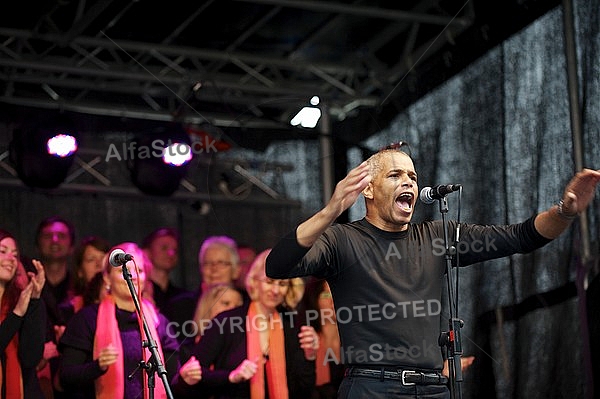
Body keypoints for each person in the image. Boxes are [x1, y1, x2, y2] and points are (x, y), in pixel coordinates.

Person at [265, 146, 600, 399]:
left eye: (412, 176)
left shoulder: (438, 236)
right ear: (367, 189)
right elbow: (278, 265)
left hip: (433, 389)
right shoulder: (341, 239)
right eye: (395, 175)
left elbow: (520, 236)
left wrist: (564, 211)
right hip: (371, 388)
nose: (408, 181)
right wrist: (332, 208)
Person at [173, 249, 319, 399]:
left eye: (282, 284)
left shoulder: (291, 326)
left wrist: (310, 356)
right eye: (269, 282)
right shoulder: (226, 322)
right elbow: (194, 374)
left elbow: (304, 389)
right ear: (254, 282)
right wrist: (230, 376)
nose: (275, 290)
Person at [57, 242, 181, 399]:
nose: (132, 276)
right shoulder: (87, 319)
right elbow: (66, 376)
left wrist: (186, 378)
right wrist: (97, 366)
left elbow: (173, 378)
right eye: (123, 270)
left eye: (139, 270)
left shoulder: (158, 322)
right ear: (107, 278)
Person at [0, 228, 47, 398]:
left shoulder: (22, 301)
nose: (10, 259)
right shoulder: (19, 307)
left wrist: (34, 300)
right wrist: (17, 314)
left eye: (15, 254)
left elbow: (30, 359)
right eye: (3, 251)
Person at [141, 227, 196, 344]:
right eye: (164, 248)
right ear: (147, 252)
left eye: (175, 250)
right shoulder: (141, 293)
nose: (171, 253)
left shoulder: (183, 296)